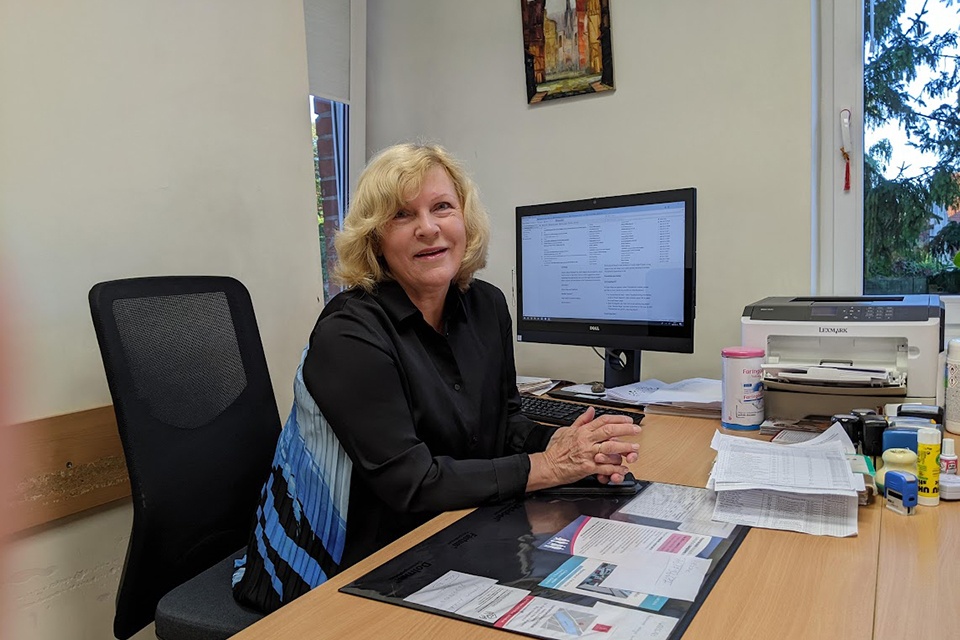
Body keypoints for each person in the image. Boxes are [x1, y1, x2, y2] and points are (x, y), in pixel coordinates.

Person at [233, 143, 640, 613]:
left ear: (465, 220)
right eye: (402, 215)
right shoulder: (349, 333)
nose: (428, 228)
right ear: (375, 239)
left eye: (442, 207)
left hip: (448, 529)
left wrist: (570, 446)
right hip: (337, 567)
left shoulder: (486, 306)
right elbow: (413, 484)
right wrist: (550, 466)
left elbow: (505, 423)